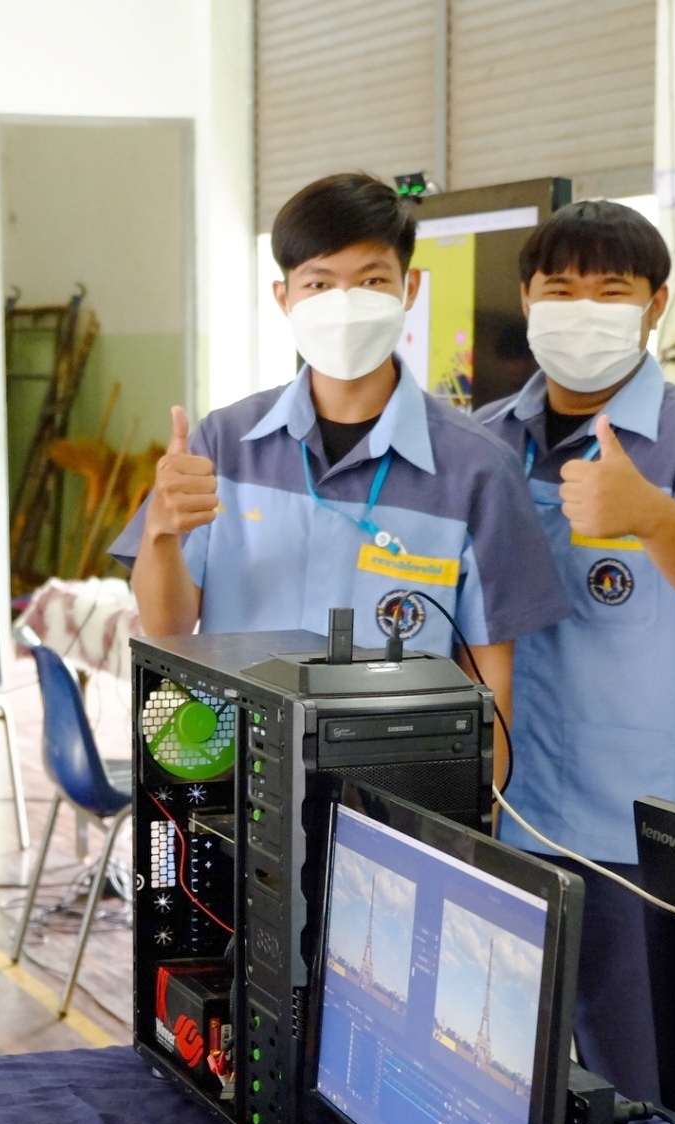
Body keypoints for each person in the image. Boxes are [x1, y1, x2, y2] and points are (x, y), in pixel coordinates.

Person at [475, 199, 675, 1106]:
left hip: (643, 829)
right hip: (507, 815)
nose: (583, 306)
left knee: (639, 1089)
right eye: (560, 287)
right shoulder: (482, 439)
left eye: (611, 288)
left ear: (656, 304)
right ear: (526, 299)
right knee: (498, 1072)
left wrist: (649, 511)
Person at [114, 172, 566, 761]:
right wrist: (161, 532)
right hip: (240, 767)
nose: (345, 304)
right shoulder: (224, 441)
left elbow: (490, 686)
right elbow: (169, 626)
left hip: (398, 789)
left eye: (372, 280)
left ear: (410, 289)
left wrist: (473, 830)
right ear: (285, 298)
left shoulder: (476, 469)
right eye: (319, 283)